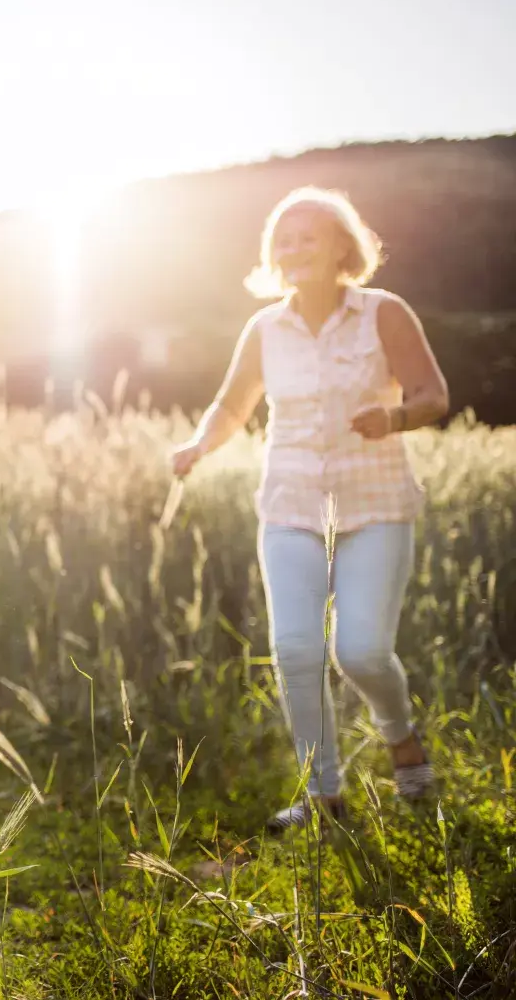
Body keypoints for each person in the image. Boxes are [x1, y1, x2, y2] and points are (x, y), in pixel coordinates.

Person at [171, 186, 450, 832]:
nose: (295, 249)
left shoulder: (384, 312)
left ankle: (400, 735)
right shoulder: (265, 327)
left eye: (309, 236)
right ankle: (324, 798)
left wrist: (396, 416)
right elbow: (232, 406)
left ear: (341, 247)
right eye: (284, 239)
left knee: (360, 651)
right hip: (290, 505)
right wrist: (197, 444)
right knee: (296, 649)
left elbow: (436, 394)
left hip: (375, 506)